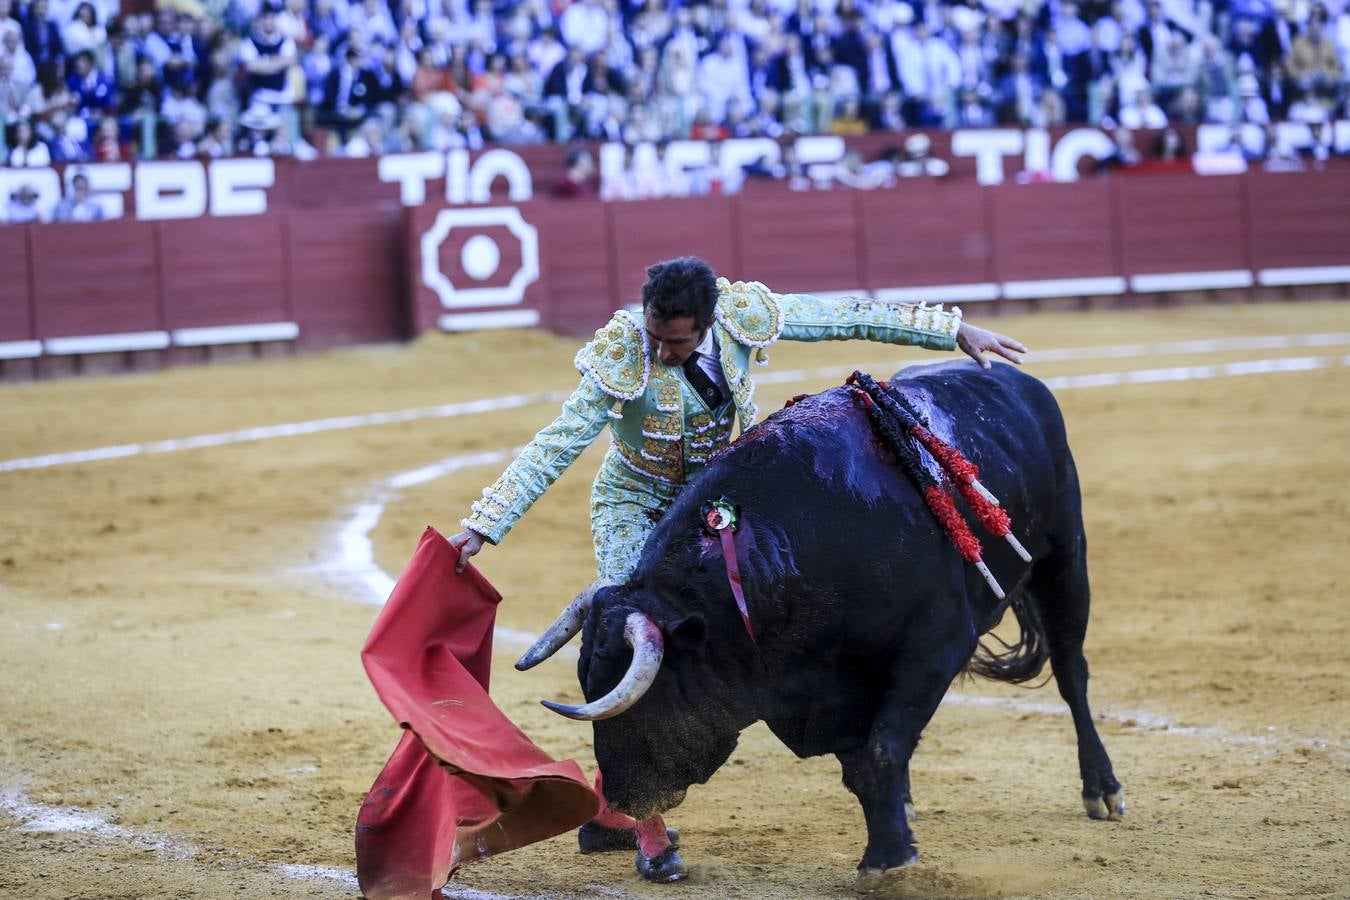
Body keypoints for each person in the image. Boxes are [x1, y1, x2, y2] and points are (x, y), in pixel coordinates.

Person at [445, 257, 1026, 878]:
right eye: (655, 337)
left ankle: (613, 803)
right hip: (635, 502)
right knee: (637, 642)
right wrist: (485, 524)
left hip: (721, 503)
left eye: (678, 341)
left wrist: (949, 331)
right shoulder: (623, 352)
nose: (663, 352)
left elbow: (843, 317)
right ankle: (646, 824)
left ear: (710, 322)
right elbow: (556, 442)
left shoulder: (744, 315)